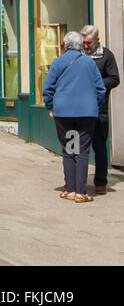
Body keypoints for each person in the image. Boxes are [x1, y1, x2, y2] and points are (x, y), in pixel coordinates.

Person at [43, 31, 106, 202]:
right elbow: (101, 89)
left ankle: (69, 189)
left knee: (69, 149)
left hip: (64, 113)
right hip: (86, 113)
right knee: (83, 151)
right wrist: (96, 105)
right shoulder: (89, 63)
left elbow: (47, 88)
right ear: (80, 45)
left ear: (65, 45)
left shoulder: (58, 62)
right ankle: (81, 192)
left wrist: (50, 107)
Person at [80, 25, 120, 195]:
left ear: (97, 40)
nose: (86, 46)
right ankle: (78, 182)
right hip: (80, 109)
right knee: (80, 147)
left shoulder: (106, 55)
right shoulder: (79, 56)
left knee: (100, 147)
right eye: (84, 43)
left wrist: (97, 84)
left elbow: (114, 78)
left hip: (99, 109)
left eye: (89, 43)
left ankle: (101, 182)